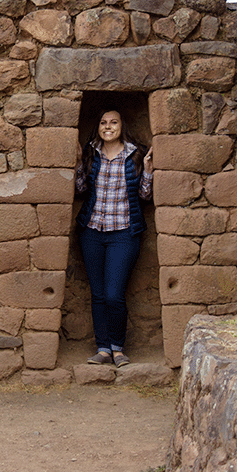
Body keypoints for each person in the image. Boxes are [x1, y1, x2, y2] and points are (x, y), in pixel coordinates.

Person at [74, 108, 153, 368]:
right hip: (92, 230)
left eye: (114, 122)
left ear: (122, 125)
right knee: (98, 295)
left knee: (113, 294)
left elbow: (144, 196)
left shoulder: (136, 154)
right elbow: (82, 189)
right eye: (103, 122)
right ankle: (103, 349)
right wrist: (76, 163)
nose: (108, 126)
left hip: (124, 232)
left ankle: (118, 348)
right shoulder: (90, 152)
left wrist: (149, 171)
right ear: (98, 127)